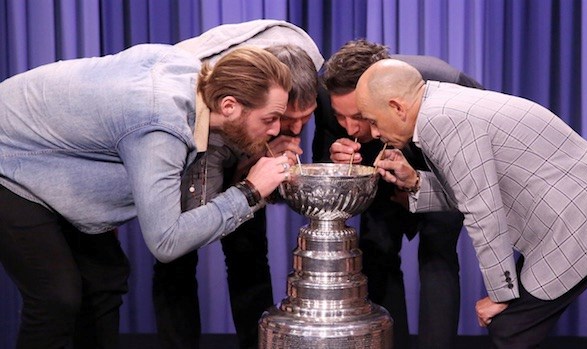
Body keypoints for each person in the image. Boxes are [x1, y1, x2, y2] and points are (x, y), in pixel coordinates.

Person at [0, 44, 296, 348]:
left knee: (104, 281)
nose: (276, 129)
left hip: (48, 156)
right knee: (56, 297)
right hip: (8, 161)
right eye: (269, 118)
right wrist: (248, 192)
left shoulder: (192, 76)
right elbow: (167, 242)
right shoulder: (160, 127)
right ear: (229, 106)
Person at [355, 59, 587, 349]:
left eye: (372, 121)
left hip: (583, 216)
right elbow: (476, 187)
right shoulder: (440, 102)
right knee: (512, 329)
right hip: (579, 209)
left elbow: (482, 209)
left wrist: (501, 295)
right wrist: (416, 182)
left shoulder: (439, 121)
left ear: (397, 107)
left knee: (511, 328)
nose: (375, 133)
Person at [311, 39, 482, 348]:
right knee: (376, 252)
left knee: (437, 254)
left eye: (360, 116)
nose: (349, 128)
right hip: (381, 174)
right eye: (340, 117)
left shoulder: (449, 89)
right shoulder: (326, 94)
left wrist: (419, 187)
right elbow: (323, 165)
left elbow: (471, 174)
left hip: (441, 169)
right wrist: (337, 159)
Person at [153, 40, 320, 349]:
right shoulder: (216, 105)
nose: (296, 130)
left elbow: (276, 194)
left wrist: (269, 173)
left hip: (243, 140)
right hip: (199, 138)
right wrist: (248, 180)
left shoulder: (308, 76)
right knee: (177, 258)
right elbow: (194, 215)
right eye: (286, 119)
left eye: (306, 117)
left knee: (249, 250)